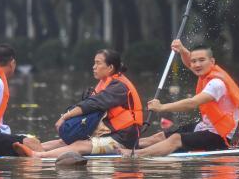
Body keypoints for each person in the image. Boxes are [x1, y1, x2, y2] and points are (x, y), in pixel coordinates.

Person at [121, 41, 239, 157]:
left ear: (212, 61)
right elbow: (189, 63)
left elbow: (192, 103)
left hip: (220, 136)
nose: (197, 65)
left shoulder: (217, 83)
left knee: (175, 139)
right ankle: (120, 146)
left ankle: (134, 155)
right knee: (160, 136)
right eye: (194, 61)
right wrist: (182, 50)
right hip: (206, 127)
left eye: (201, 60)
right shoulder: (206, 74)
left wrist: (161, 107)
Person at [13, 49, 143, 158]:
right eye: (94, 63)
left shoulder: (119, 87)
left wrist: (64, 117)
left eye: (98, 63)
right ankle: (34, 148)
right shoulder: (106, 82)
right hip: (110, 133)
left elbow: (92, 104)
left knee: (79, 146)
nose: (94, 67)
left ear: (110, 67)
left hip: (123, 139)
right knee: (63, 141)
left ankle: (37, 156)